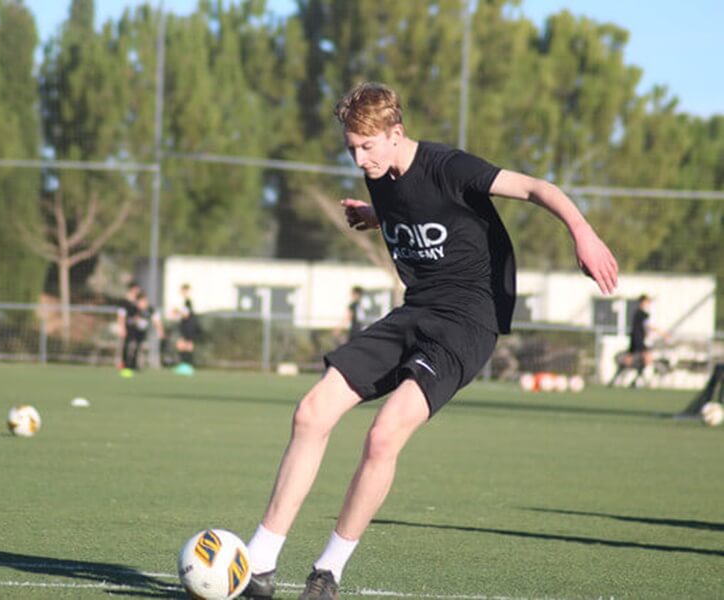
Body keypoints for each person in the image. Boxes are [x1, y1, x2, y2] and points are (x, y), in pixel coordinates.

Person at [241, 82, 618, 600]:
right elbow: (418, 209)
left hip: (467, 323)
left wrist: (584, 233)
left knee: (383, 436)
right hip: (415, 312)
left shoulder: (449, 165)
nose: (359, 158)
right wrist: (377, 217)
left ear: (396, 134)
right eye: (351, 147)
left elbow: (537, 189)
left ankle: (327, 571)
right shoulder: (379, 174)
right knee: (311, 411)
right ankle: (259, 562)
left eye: (368, 146)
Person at [609, 294, 668, 388]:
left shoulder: (638, 313)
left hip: (636, 340)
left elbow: (643, 328)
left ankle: (630, 381)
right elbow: (648, 326)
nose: (648, 304)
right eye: (647, 302)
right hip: (638, 340)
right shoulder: (642, 314)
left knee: (636, 360)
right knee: (644, 359)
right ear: (642, 302)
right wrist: (663, 334)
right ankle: (634, 380)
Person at [122, 292, 165, 372]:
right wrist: (135, 320)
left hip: (141, 333)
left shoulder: (150, 310)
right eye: (143, 301)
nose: (145, 303)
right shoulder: (133, 309)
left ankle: (134, 366)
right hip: (132, 331)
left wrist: (160, 331)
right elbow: (127, 319)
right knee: (131, 346)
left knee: (138, 347)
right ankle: (127, 365)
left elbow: (156, 320)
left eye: (146, 301)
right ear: (138, 301)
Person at [116, 282, 143, 377]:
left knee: (135, 345)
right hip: (127, 327)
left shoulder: (137, 302)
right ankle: (124, 364)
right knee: (127, 345)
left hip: (135, 328)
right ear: (132, 289)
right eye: (137, 288)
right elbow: (121, 315)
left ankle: (132, 364)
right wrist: (122, 327)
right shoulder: (125, 302)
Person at [172, 283, 199, 376]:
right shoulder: (185, 301)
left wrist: (177, 311)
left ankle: (187, 365)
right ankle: (185, 365)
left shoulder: (188, 301)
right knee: (182, 345)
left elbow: (186, 314)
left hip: (188, 327)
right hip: (186, 326)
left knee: (186, 345)